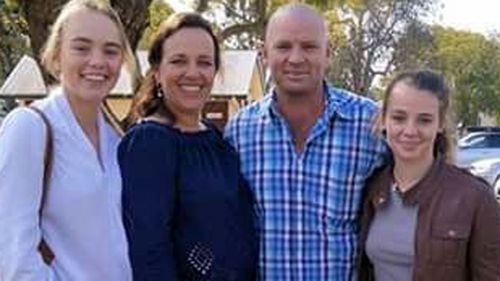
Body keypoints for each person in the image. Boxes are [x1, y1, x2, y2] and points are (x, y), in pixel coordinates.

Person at [224, 3, 386, 280]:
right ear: (264, 54)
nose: (296, 58)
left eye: (309, 46)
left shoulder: (370, 124)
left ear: (328, 53)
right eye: (283, 46)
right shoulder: (240, 132)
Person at [0, 0, 136, 280]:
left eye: (110, 51)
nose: (97, 61)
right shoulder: (30, 128)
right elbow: (14, 257)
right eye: (81, 48)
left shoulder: (117, 139)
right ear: (57, 54)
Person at [118, 13, 257, 281]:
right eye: (179, 61)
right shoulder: (149, 143)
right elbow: (149, 251)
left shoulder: (218, 141)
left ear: (215, 72)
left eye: (204, 62)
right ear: (157, 72)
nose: (193, 73)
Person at [358, 70, 500, 281]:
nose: (410, 130)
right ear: (384, 120)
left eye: (424, 120)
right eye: (399, 117)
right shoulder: (372, 189)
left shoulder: (476, 198)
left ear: (440, 124)